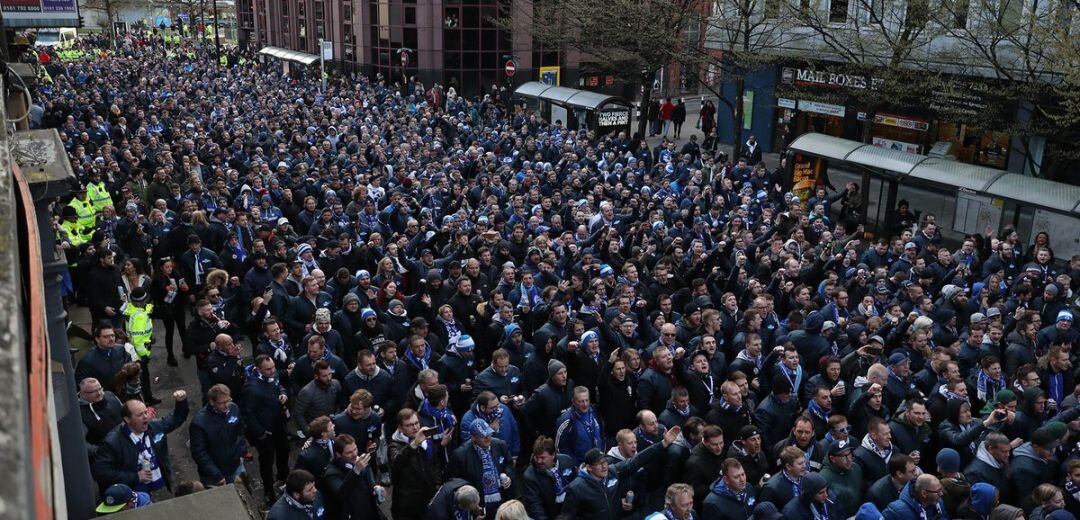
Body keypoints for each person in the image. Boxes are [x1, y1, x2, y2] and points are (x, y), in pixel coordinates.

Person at [559, 425, 680, 520]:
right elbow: (567, 516)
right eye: (599, 464)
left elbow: (637, 460)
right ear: (589, 468)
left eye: (605, 462)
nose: (604, 466)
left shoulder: (612, 471)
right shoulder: (576, 488)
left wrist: (663, 444)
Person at [93, 391, 189, 493]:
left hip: (161, 485)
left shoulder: (154, 427)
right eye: (140, 415)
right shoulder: (112, 442)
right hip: (134, 494)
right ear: (127, 419)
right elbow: (101, 473)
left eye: (146, 412)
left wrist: (181, 402)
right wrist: (135, 477)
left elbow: (176, 419)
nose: (145, 417)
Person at [243, 354, 292, 504]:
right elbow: (247, 414)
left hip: (280, 425)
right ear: (258, 369)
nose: (272, 371)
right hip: (266, 432)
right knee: (267, 462)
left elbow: (280, 386)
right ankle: (269, 491)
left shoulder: (275, 374)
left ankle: (283, 478)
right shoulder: (251, 388)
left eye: (273, 367)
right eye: (268, 369)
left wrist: (283, 394)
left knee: (284, 451)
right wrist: (260, 432)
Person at [448, 418, 516, 516]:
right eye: (483, 436)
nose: (488, 438)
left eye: (489, 434)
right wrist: (472, 505)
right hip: (479, 504)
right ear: (473, 437)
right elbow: (454, 482)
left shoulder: (500, 445)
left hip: (502, 499)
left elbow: (509, 464)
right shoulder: (460, 455)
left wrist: (508, 476)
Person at [388, 408, 442, 520]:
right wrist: (415, 443)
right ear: (400, 428)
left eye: (416, 423)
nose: (415, 427)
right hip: (407, 506)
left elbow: (435, 464)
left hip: (428, 499)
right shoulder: (394, 446)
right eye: (409, 425)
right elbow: (397, 463)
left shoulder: (426, 441)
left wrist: (437, 484)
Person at [189, 384, 247, 487]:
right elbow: (199, 453)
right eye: (222, 403)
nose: (227, 405)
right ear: (212, 402)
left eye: (228, 400)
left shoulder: (233, 409)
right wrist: (216, 475)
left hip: (236, 466)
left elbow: (240, 431)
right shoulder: (199, 423)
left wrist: (241, 453)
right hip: (213, 477)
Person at [318, 433, 380, 520]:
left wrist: (375, 487)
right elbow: (342, 494)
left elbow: (369, 481)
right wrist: (356, 471)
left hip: (369, 511)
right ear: (338, 454)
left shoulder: (360, 461)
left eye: (355, 449)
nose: (355, 454)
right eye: (349, 452)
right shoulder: (331, 473)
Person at [521, 436, 576, 520]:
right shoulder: (529, 475)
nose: (539, 461)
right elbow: (534, 506)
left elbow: (576, 490)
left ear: (553, 455)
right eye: (536, 457)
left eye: (542, 458)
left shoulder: (567, 462)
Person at [555, 385, 604, 464]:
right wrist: (575, 466)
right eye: (581, 401)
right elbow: (561, 449)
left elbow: (602, 435)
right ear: (573, 402)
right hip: (579, 467)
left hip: (597, 463)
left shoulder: (595, 412)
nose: (585, 404)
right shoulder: (566, 421)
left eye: (587, 400)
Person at [78, 377, 124, 458]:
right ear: (83, 393)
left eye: (100, 389)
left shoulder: (110, 395)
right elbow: (81, 443)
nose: (99, 393)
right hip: (110, 457)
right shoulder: (80, 414)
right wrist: (102, 451)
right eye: (94, 391)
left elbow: (126, 414)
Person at [76, 324, 130, 390]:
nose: (111, 339)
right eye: (106, 337)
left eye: (112, 336)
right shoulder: (88, 360)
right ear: (97, 339)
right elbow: (80, 384)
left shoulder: (120, 350)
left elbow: (129, 366)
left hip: (123, 392)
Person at [883, 474, 950, 520]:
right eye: (937, 491)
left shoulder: (938, 502)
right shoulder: (895, 512)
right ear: (924, 493)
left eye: (941, 489)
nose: (941, 494)